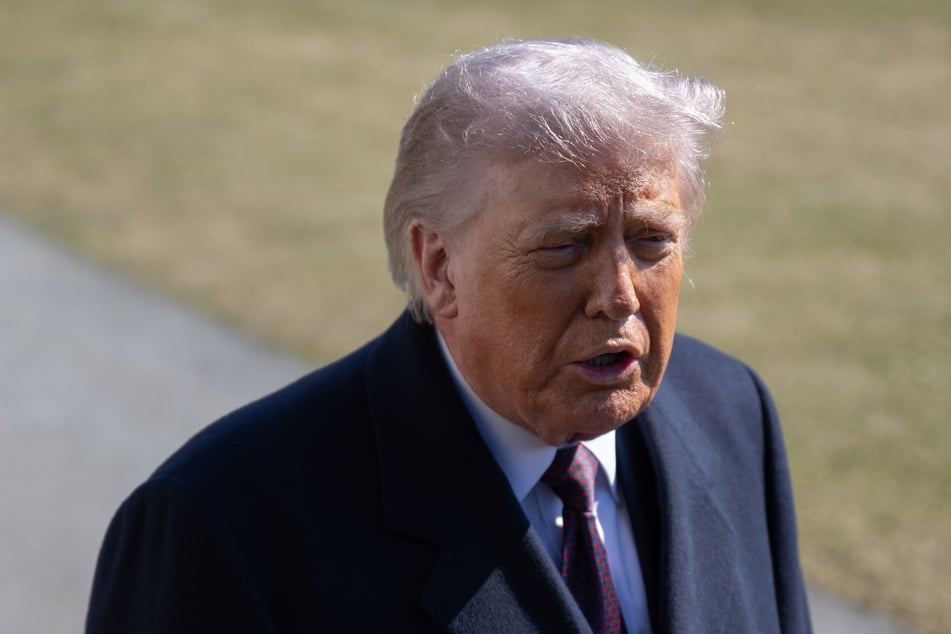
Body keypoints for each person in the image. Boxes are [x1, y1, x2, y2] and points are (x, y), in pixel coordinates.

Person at [86, 38, 812, 633]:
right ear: (439, 267)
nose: (617, 294)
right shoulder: (222, 523)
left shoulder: (730, 411)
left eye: (652, 240)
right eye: (564, 247)